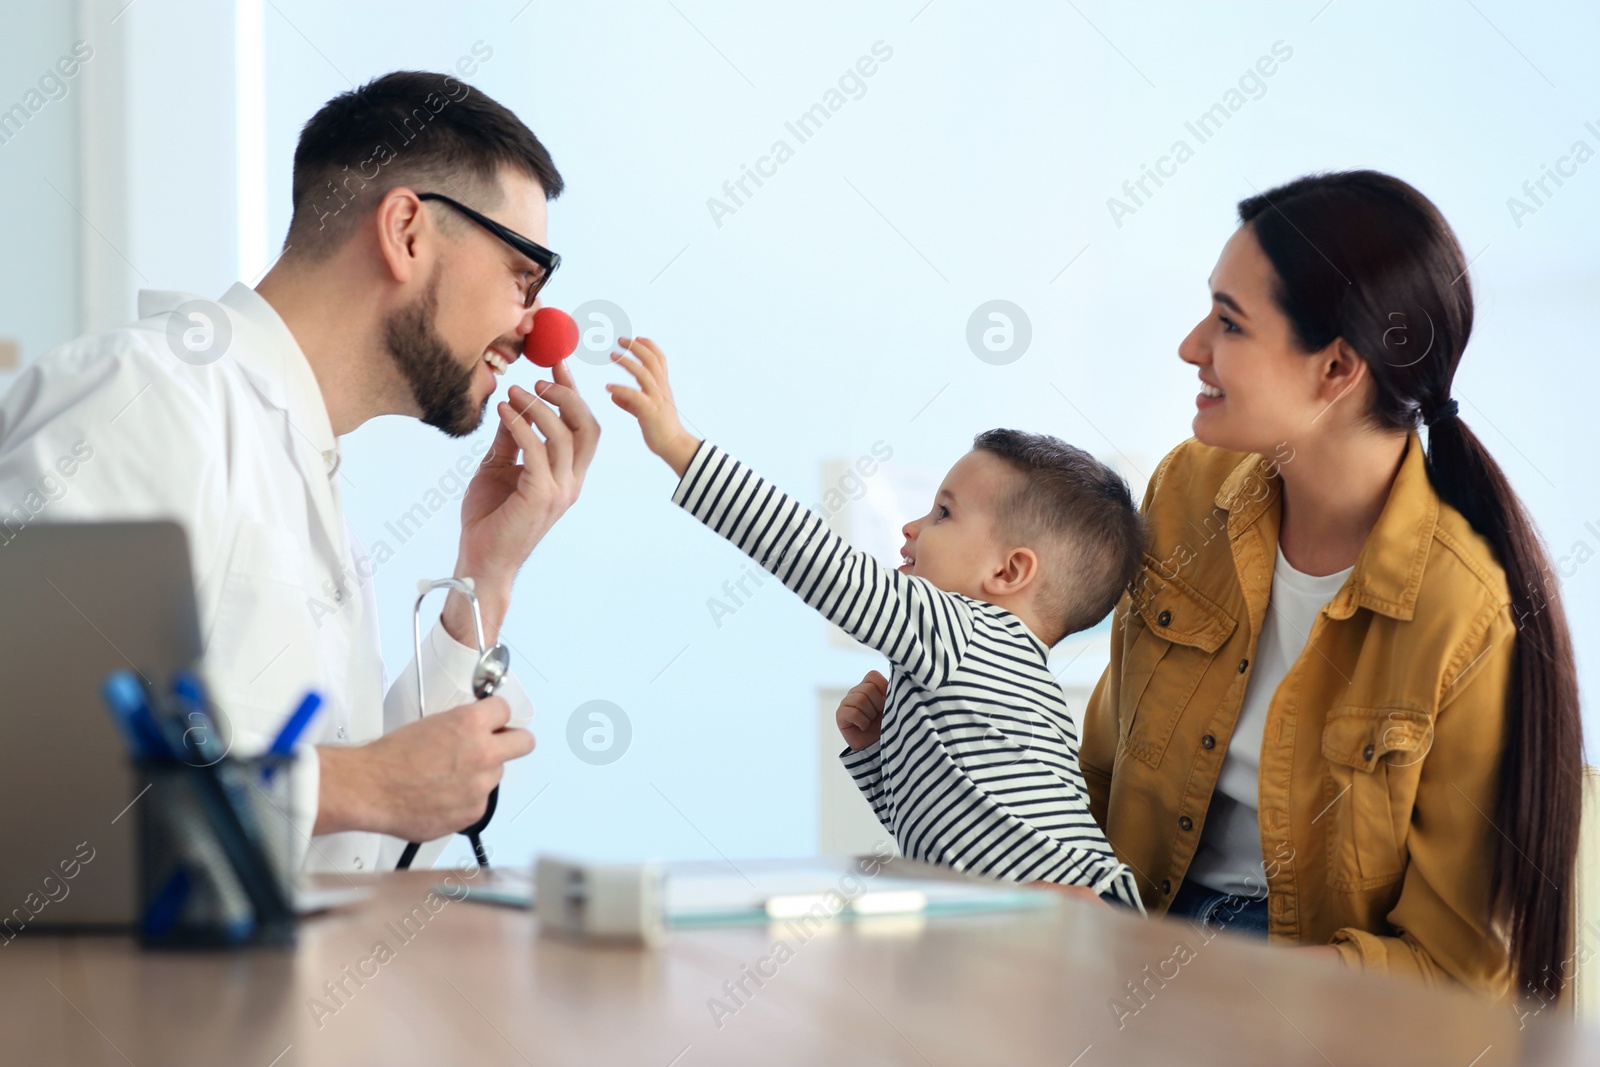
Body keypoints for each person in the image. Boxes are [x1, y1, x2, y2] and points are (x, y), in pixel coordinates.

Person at [0, 71, 600, 871]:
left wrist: (483, 577)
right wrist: (359, 786)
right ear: (407, 232)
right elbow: (30, 768)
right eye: (525, 277)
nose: (540, 332)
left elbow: (353, 851)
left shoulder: (301, 464)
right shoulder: (137, 399)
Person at [1079, 170, 1582, 1001]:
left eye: (1230, 322)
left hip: (1316, 995)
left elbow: (1452, 968)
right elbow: (1099, 770)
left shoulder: (1464, 610)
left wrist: (1205, 977)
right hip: (1136, 921)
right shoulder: (1187, 491)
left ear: (1339, 367)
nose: (1191, 345)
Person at [608, 337, 1146, 907]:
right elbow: (931, 828)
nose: (913, 526)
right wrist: (874, 753)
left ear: (1010, 572)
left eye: (943, 513)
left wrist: (679, 447)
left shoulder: (968, 632)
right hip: (1039, 911)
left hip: (1076, 908)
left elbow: (821, 563)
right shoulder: (991, 666)